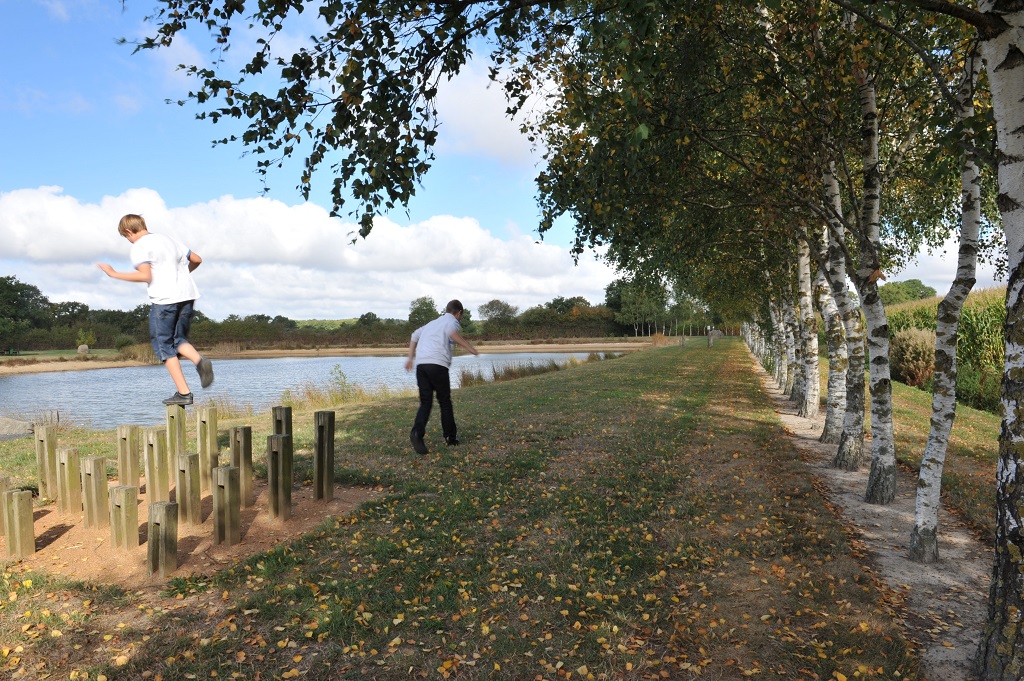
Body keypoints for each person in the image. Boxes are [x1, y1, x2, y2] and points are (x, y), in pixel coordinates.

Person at [97, 214, 214, 406]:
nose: (129, 240)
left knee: (163, 345)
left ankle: (184, 393)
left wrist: (114, 273)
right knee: (178, 339)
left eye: (126, 237)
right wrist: (178, 276)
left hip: (165, 300)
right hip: (187, 296)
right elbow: (197, 259)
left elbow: (145, 276)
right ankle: (200, 362)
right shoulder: (169, 239)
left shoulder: (140, 246)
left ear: (128, 231)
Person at [405, 299, 479, 454]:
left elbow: (414, 335)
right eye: (460, 316)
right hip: (437, 365)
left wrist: (410, 358)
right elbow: (451, 332)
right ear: (459, 313)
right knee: (444, 402)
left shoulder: (432, 323)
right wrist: (470, 348)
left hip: (422, 365)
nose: (460, 318)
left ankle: (417, 433)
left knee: (426, 402)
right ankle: (450, 438)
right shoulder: (452, 321)